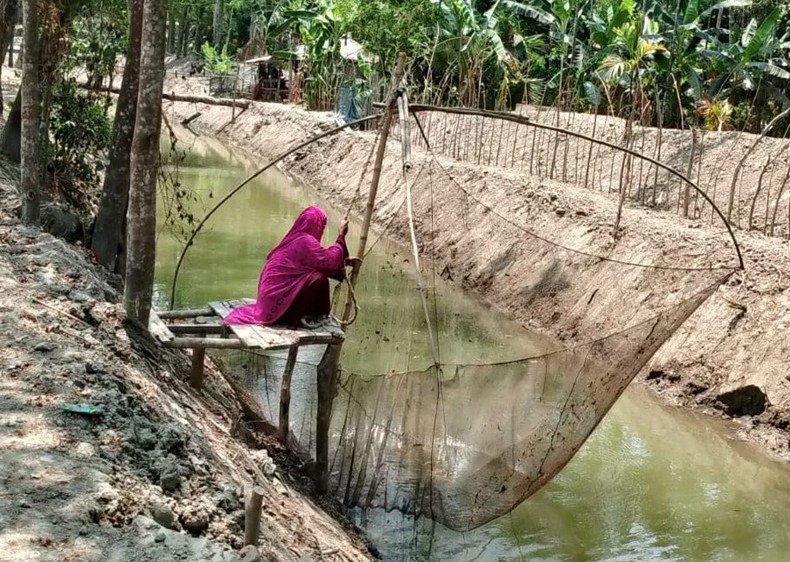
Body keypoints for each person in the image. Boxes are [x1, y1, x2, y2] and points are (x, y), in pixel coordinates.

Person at [223, 206, 359, 328]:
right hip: (277, 308)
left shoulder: (295, 240)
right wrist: (341, 235)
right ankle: (304, 318)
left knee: (315, 275)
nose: (321, 231)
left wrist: (344, 261)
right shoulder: (305, 241)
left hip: (268, 305)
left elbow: (321, 262)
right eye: (322, 227)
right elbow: (330, 263)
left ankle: (300, 315)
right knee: (319, 279)